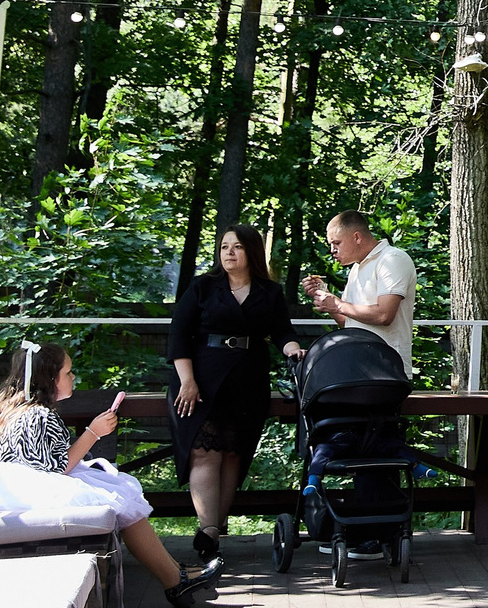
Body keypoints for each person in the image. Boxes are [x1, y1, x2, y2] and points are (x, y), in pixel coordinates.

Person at [0, 341, 222, 608]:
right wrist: (93, 432)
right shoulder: (39, 417)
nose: (73, 377)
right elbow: (58, 467)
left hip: (7, 489)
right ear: (50, 378)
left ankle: (176, 573)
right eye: (68, 372)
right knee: (123, 504)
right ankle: (175, 580)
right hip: (28, 495)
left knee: (123, 501)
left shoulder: (10, 407)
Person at [167, 222, 305, 564]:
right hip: (200, 378)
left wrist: (294, 350)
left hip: (248, 379)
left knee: (233, 453)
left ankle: (216, 527)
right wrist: (187, 380)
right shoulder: (202, 286)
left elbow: (283, 332)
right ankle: (209, 529)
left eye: (237, 247)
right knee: (204, 452)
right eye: (225, 246)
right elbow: (179, 336)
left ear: (252, 252)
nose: (229, 252)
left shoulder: (269, 292)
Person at [305, 210, 417, 378]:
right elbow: (348, 322)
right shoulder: (357, 268)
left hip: (386, 369)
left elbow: (384, 315)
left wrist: (336, 304)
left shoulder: (392, 259)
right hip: (356, 367)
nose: (332, 250)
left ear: (357, 237)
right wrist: (324, 296)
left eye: (336, 243)